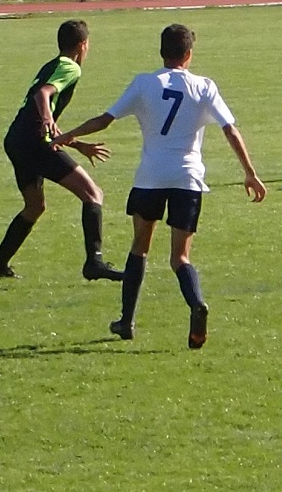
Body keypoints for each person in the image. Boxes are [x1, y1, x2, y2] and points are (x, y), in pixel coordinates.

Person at [55, 23, 266, 349]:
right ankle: (196, 303)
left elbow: (106, 119)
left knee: (139, 247)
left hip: (150, 178)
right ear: (189, 54)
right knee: (180, 258)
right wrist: (249, 172)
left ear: (161, 51)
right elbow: (230, 130)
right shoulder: (204, 86)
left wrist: (70, 135)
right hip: (187, 179)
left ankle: (126, 321)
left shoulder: (144, 83)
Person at [0, 19, 125, 282]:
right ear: (83, 45)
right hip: (34, 143)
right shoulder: (70, 67)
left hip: (17, 140)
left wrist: (77, 144)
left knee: (34, 206)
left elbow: (42, 117)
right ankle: (94, 263)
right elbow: (42, 95)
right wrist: (48, 116)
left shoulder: (51, 65)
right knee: (93, 194)